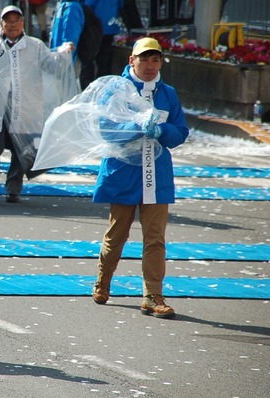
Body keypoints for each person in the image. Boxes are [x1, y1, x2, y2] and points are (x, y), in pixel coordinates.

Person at [92, 37, 189, 319]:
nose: (150, 65)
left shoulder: (168, 93)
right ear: (131, 61)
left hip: (157, 176)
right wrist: (136, 126)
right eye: (144, 59)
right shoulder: (116, 91)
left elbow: (180, 131)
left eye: (155, 59)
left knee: (156, 239)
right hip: (124, 173)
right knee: (117, 235)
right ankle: (103, 280)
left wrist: (162, 131)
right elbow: (106, 129)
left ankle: (153, 296)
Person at [0, 5, 72, 204]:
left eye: (16, 21)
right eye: (8, 21)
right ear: (2, 24)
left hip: (25, 109)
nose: (12, 25)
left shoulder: (35, 45)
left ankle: (13, 189)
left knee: (21, 151)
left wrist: (63, 54)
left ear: (23, 23)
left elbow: (51, 66)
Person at [80, 0, 124, 87]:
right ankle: (104, 87)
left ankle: (88, 87)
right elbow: (121, 5)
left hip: (94, 28)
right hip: (110, 26)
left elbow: (88, 6)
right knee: (105, 61)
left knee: (88, 60)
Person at [49, 0, 84, 81]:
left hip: (67, 63)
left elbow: (70, 40)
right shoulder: (63, 4)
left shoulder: (72, 7)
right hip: (58, 58)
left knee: (67, 91)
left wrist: (64, 63)